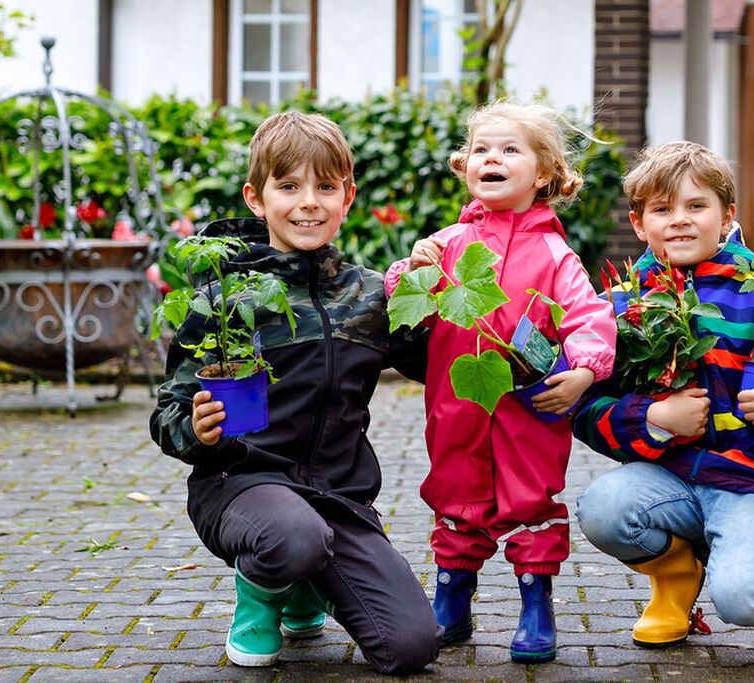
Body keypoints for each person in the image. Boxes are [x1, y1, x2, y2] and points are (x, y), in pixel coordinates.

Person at [149, 111, 442, 674]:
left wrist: (441, 292)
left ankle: (309, 581)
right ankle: (262, 594)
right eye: (289, 186)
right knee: (293, 535)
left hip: (339, 498)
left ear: (347, 197)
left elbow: (441, 364)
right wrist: (196, 428)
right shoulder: (225, 301)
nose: (309, 202)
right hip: (240, 484)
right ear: (256, 198)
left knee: (411, 647)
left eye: (325, 187)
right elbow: (169, 409)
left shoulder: (371, 295)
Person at [573, 141, 754, 647]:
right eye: (662, 209)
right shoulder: (619, 307)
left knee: (746, 601)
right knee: (602, 509)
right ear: (639, 224)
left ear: (727, 217)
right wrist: (654, 416)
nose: (679, 220)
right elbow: (588, 410)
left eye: (696, 206)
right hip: (671, 478)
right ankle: (676, 578)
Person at [384, 101, 616, 663]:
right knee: (455, 492)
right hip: (457, 404)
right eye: (483, 150)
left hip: (528, 411)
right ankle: (452, 596)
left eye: (510, 149)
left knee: (531, 499)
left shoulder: (555, 254)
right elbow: (403, 305)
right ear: (466, 168)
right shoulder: (448, 244)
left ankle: (536, 602)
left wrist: (583, 371)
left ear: (543, 174)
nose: (494, 158)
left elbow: (589, 316)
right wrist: (411, 270)